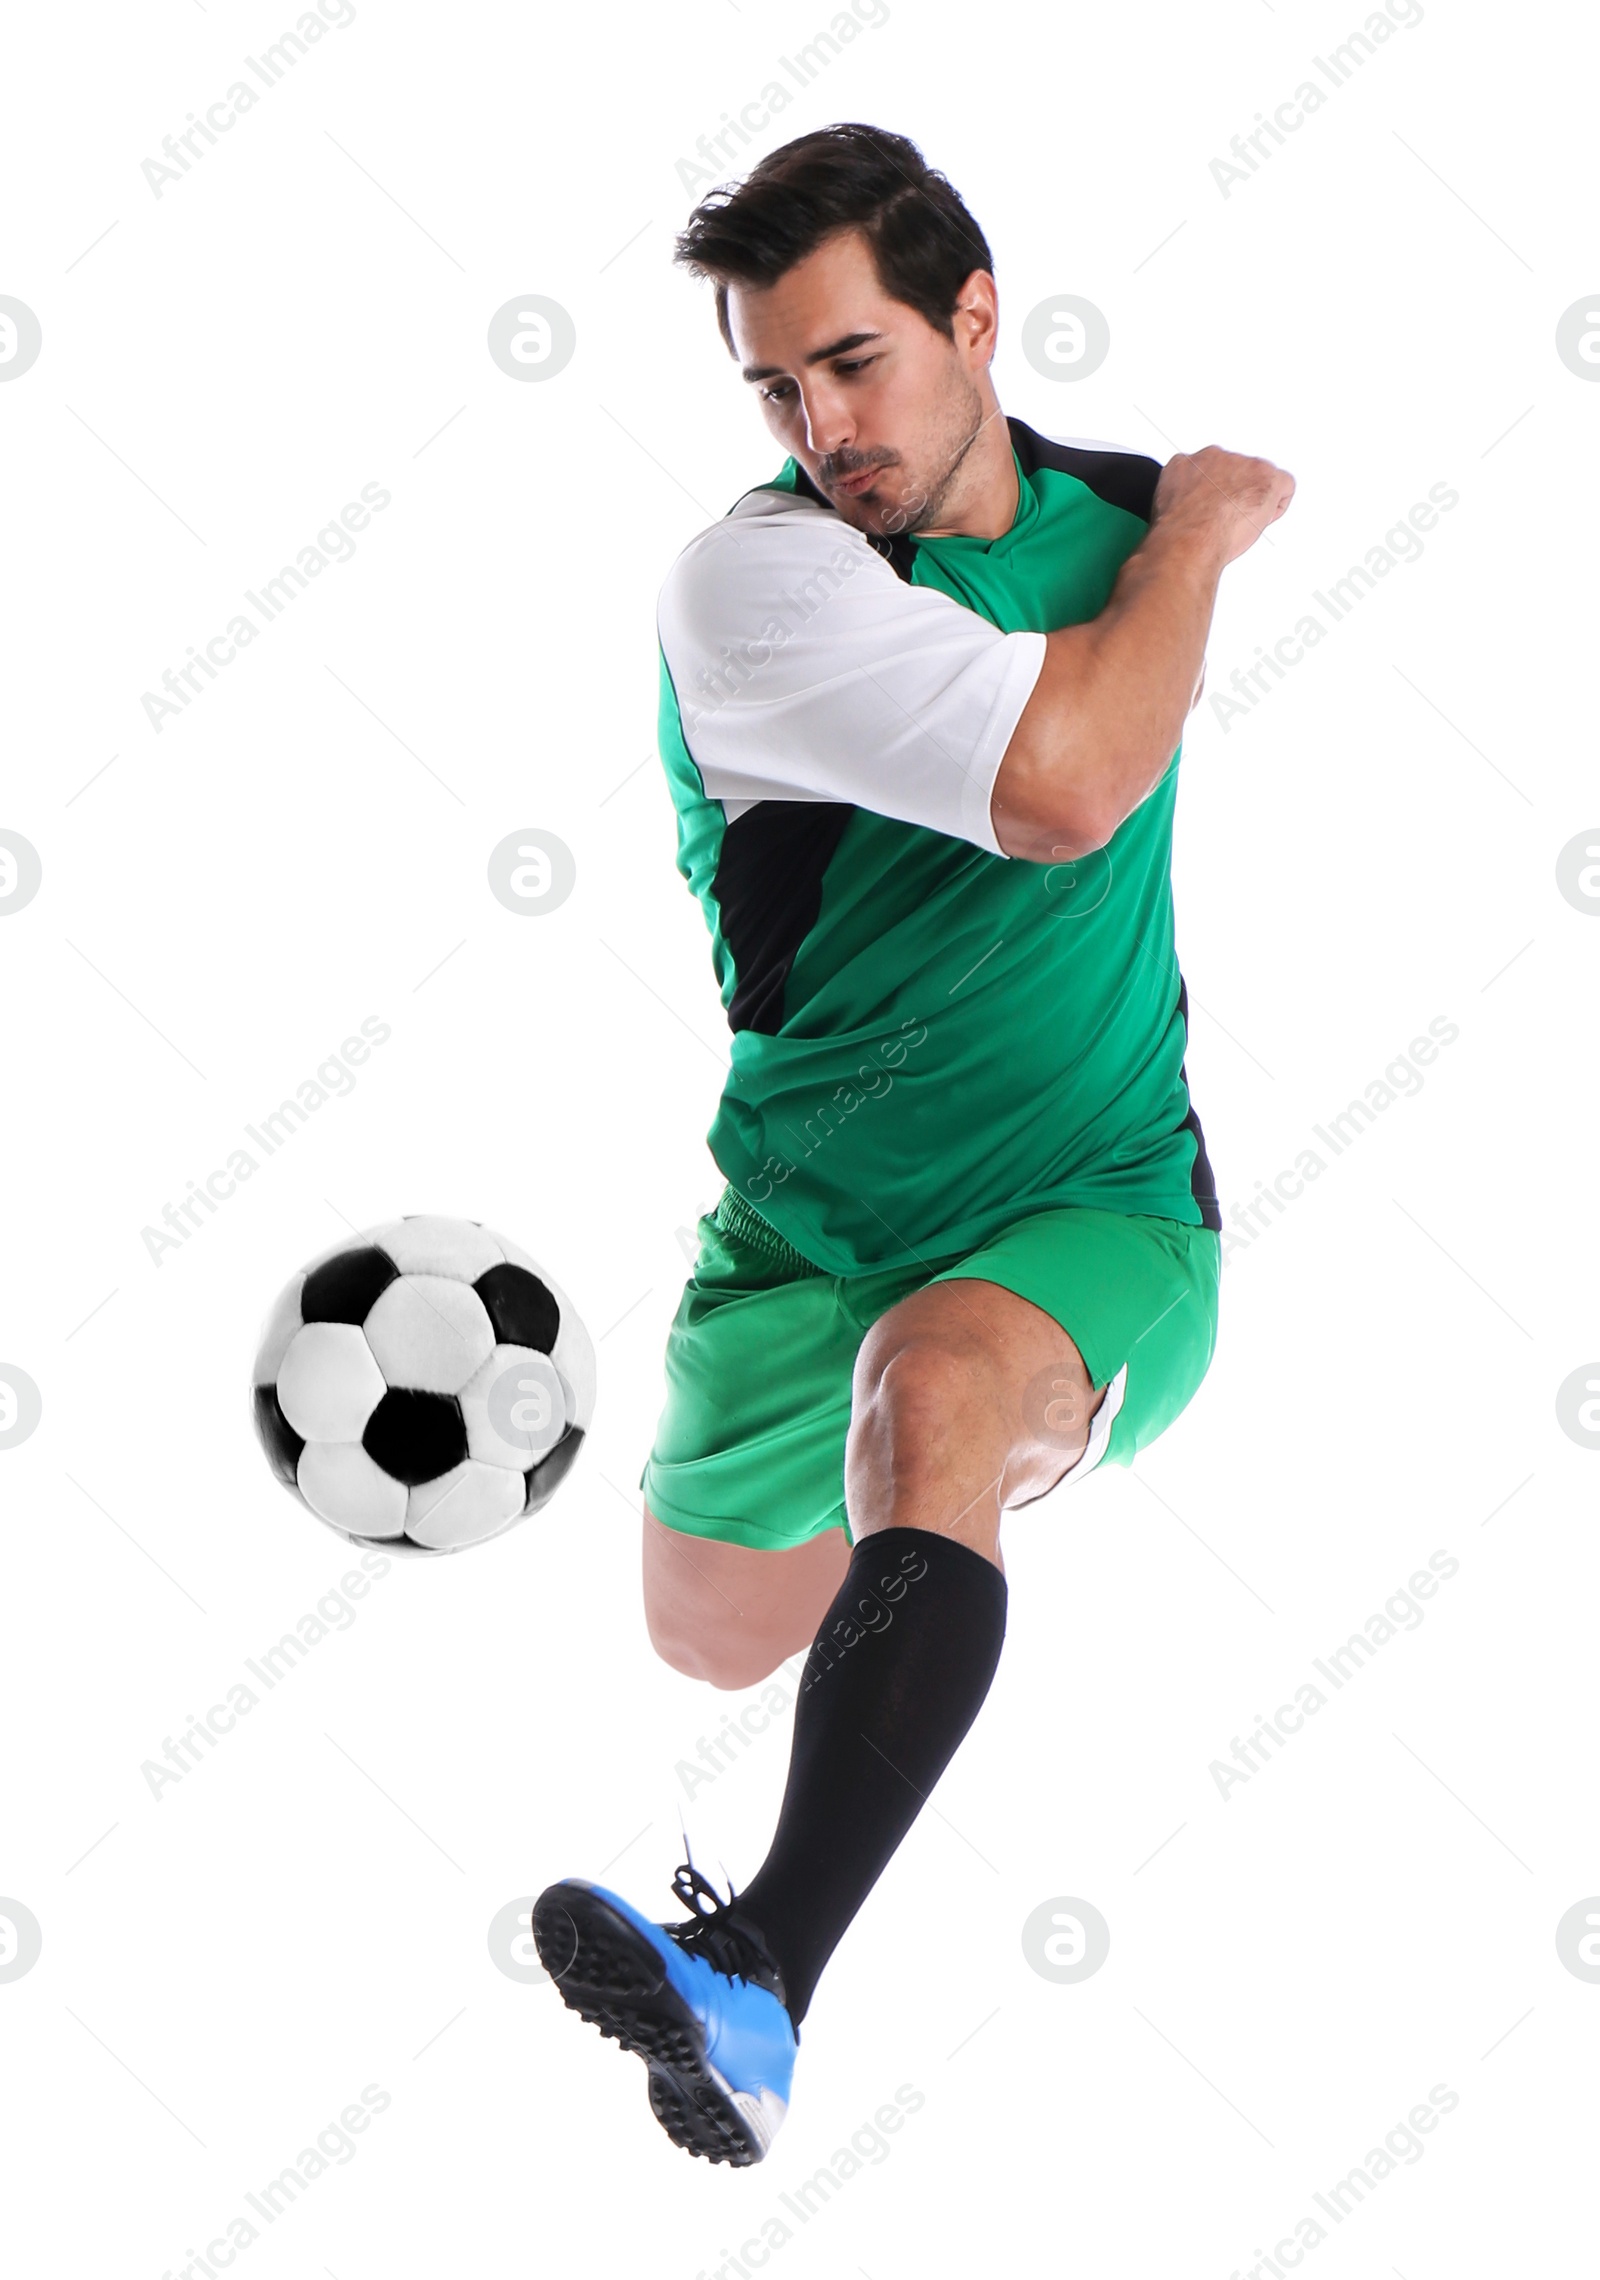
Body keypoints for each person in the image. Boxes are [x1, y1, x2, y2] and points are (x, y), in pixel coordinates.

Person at [534, 121, 1294, 2165]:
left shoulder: (1107, 515)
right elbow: (1059, 785)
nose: (820, 424)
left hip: (1095, 1202)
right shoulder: (759, 580)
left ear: (976, 317)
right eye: (775, 388)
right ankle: (924, 1522)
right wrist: (1197, 542)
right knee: (699, 1627)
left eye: (851, 361)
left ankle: (762, 1970)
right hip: (798, 1233)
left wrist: (1168, 519)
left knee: (934, 1386)